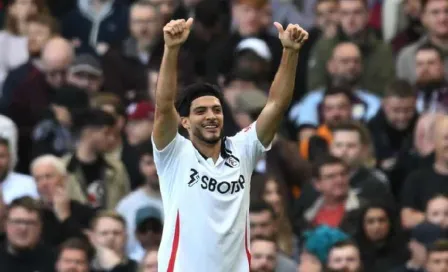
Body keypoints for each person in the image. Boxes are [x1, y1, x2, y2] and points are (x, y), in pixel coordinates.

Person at [152, 17, 308, 271]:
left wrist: (290, 52)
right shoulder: (173, 154)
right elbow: (163, 107)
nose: (211, 116)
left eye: (216, 109)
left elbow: (276, 105)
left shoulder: (242, 150)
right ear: (186, 122)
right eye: (200, 111)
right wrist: (171, 49)